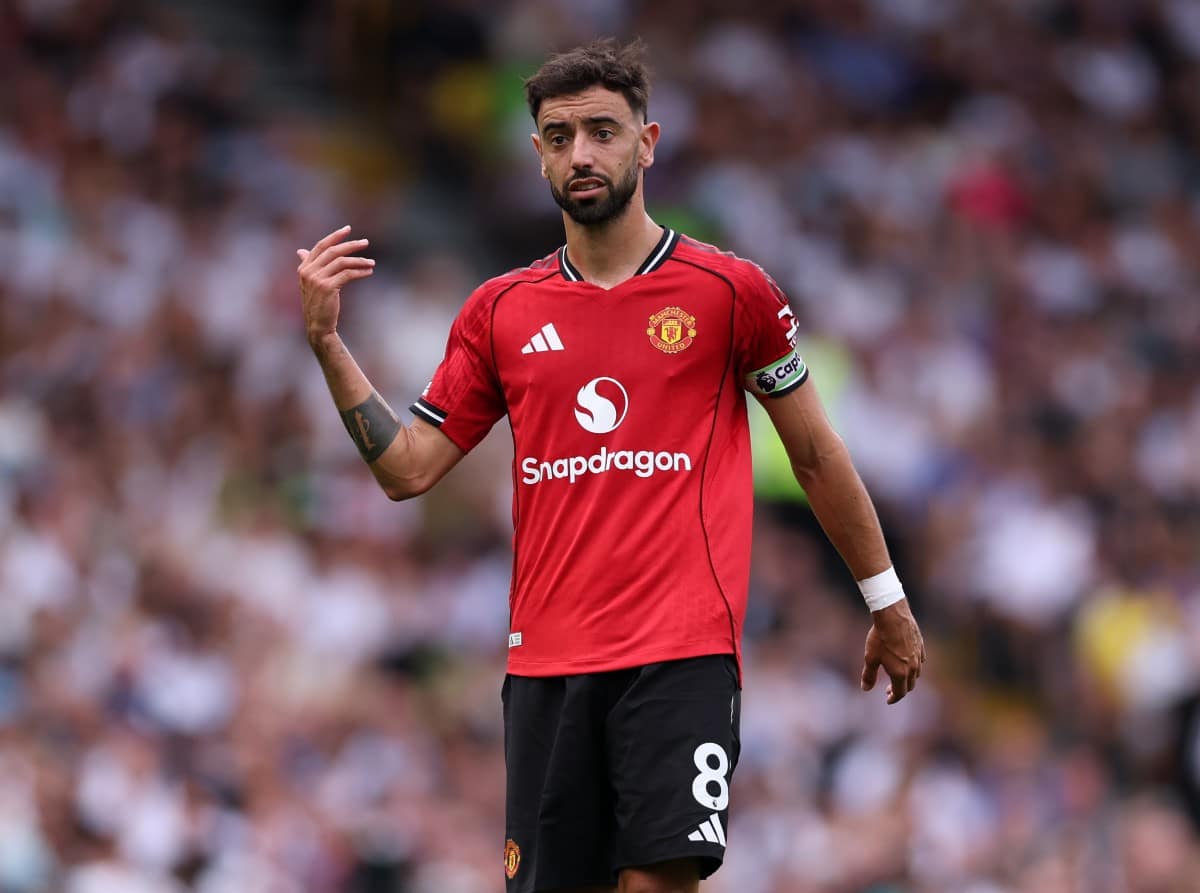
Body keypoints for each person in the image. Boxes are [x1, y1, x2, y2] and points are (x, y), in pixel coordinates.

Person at [296, 38, 925, 893]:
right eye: (559, 137)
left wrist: (884, 599)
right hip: (545, 668)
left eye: (601, 131)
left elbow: (814, 452)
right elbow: (407, 469)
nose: (581, 154)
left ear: (648, 141)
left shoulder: (728, 291)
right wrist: (330, 344)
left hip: (680, 653)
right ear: (537, 155)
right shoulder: (500, 312)